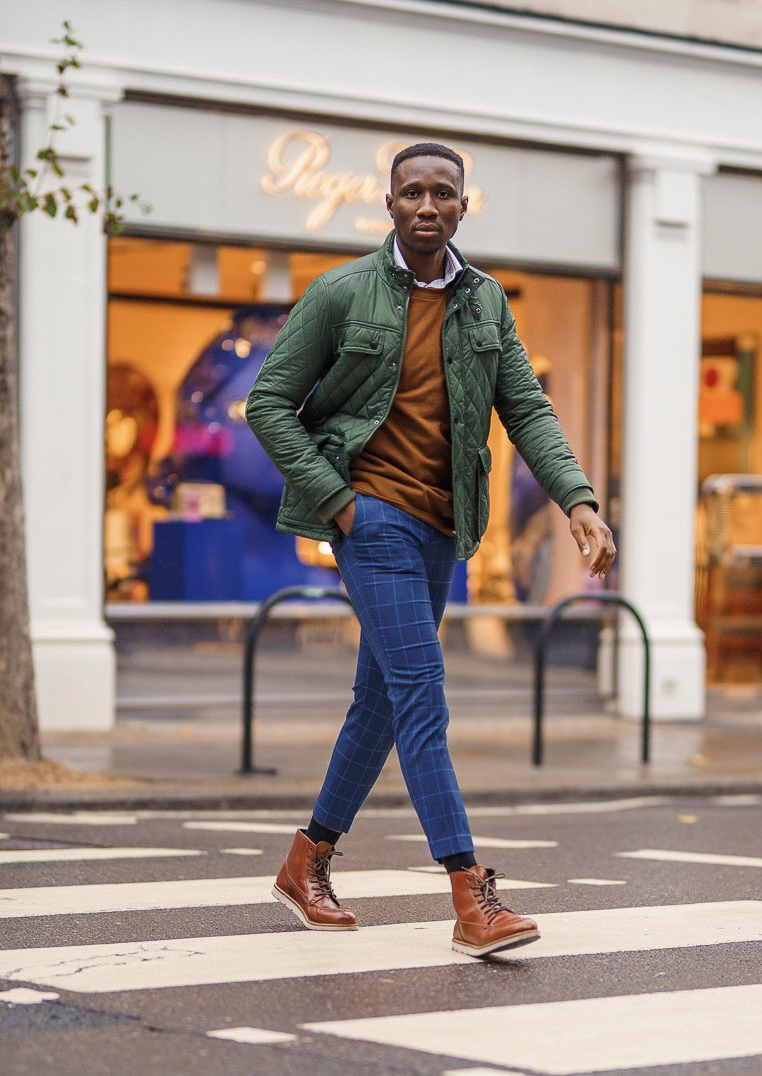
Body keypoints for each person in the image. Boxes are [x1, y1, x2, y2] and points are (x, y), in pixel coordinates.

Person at [246, 142, 616, 957]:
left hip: (444, 527)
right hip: (368, 517)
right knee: (420, 691)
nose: (425, 204)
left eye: (441, 193)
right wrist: (337, 503)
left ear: (460, 207)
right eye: (410, 191)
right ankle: (470, 893)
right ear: (388, 206)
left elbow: (526, 408)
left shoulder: (484, 303)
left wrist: (577, 501)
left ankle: (304, 861)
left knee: (379, 702)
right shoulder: (341, 293)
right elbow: (269, 404)